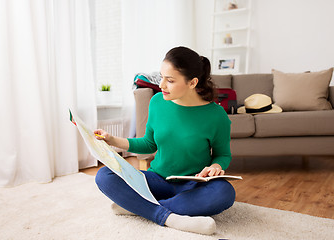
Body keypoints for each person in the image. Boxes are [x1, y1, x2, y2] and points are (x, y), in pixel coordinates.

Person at [94, 46, 235, 235]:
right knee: (104, 176)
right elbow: (149, 143)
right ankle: (169, 216)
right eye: (161, 77)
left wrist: (217, 166)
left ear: (192, 82)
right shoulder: (158, 102)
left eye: (170, 80)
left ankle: (138, 207)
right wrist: (111, 140)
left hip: (194, 183)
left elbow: (222, 154)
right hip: (157, 179)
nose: (161, 85)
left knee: (225, 193)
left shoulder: (216, 115)